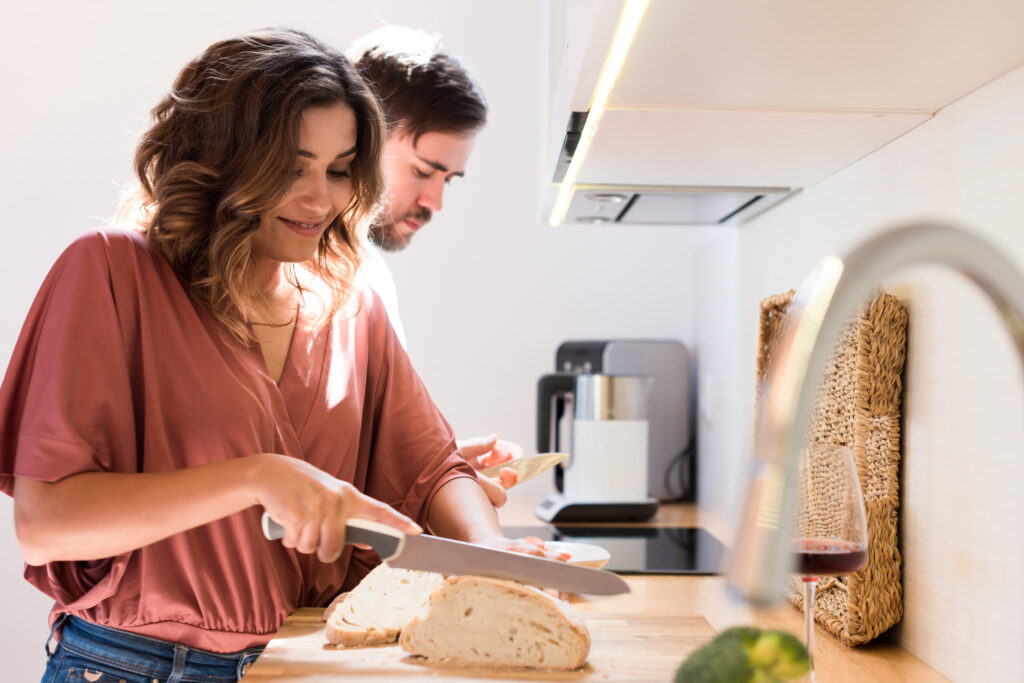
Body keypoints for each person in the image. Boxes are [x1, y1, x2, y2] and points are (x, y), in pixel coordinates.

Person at [0, 28, 555, 682]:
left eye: (339, 169)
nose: (320, 199)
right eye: (292, 166)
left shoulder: (350, 304)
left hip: (297, 662)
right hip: (131, 666)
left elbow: (433, 468)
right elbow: (47, 524)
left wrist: (494, 551)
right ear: (222, 157)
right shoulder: (112, 272)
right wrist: (258, 475)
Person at [346, 26, 524, 505]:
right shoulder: (299, 275)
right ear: (358, 137)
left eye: (449, 179)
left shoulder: (371, 273)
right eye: (423, 171)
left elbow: (349, 458)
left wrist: (434, 469)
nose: (435, 201)